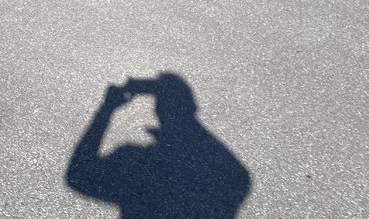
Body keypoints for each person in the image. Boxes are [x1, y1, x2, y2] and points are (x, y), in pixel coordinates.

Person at [66, 73, 251, 219]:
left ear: (158, 109)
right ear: (191, 106)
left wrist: (107, 109)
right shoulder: (236, 175)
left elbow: (79, 174)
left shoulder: (137, 163)